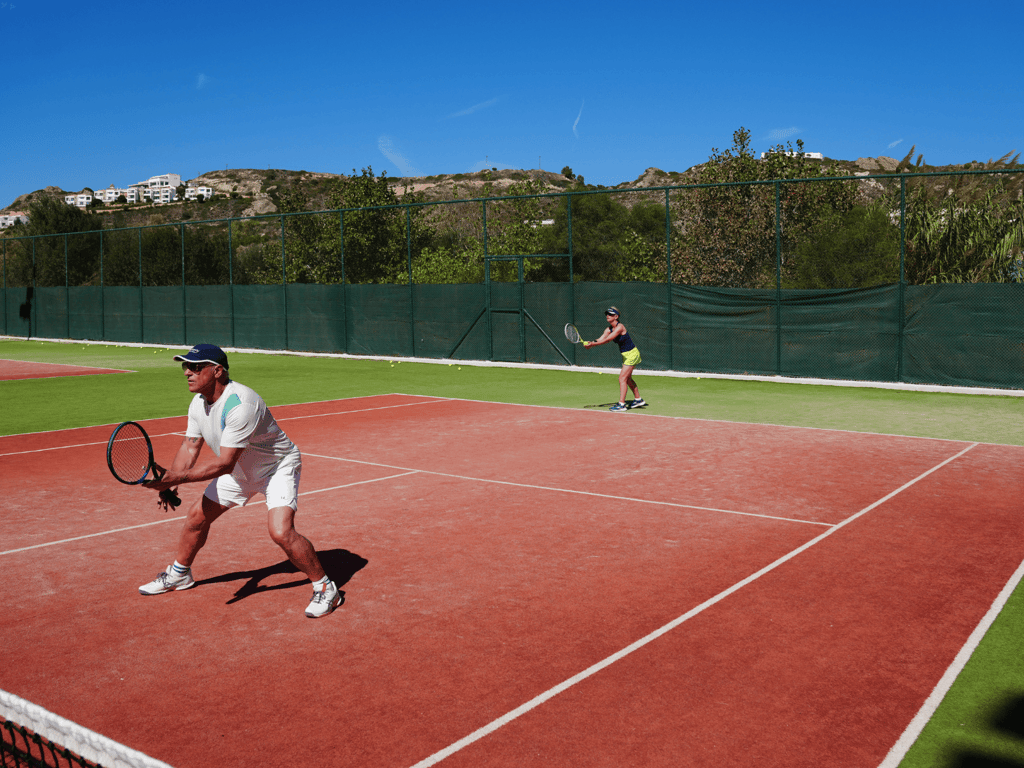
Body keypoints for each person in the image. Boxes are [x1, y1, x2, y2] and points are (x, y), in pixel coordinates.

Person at [139, 344, 341, 619]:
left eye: (196, 367)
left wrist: (175, 478)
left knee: (280, 532)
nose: (187, 372)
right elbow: (190, 447)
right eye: (185, 366)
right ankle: (179, 574)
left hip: (275, 468)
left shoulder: (240, 404)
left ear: (218, 371)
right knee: (196, 517)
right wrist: (170, 484)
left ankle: (326, 587)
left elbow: (224, 463)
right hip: (240, 472)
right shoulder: (198, 403)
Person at [583, 307, 647, 412]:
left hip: (632, 354)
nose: (607, 316)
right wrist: (591, 342)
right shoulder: (608, 329)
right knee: (628, 379)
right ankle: (638, 399)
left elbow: (608, 340)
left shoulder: (620, 327)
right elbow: (601, 339)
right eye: (607, 314)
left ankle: (622, 405)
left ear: (616, 316)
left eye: (610, 314)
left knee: (622, 379)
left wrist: (593, 345)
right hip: (626, 355)